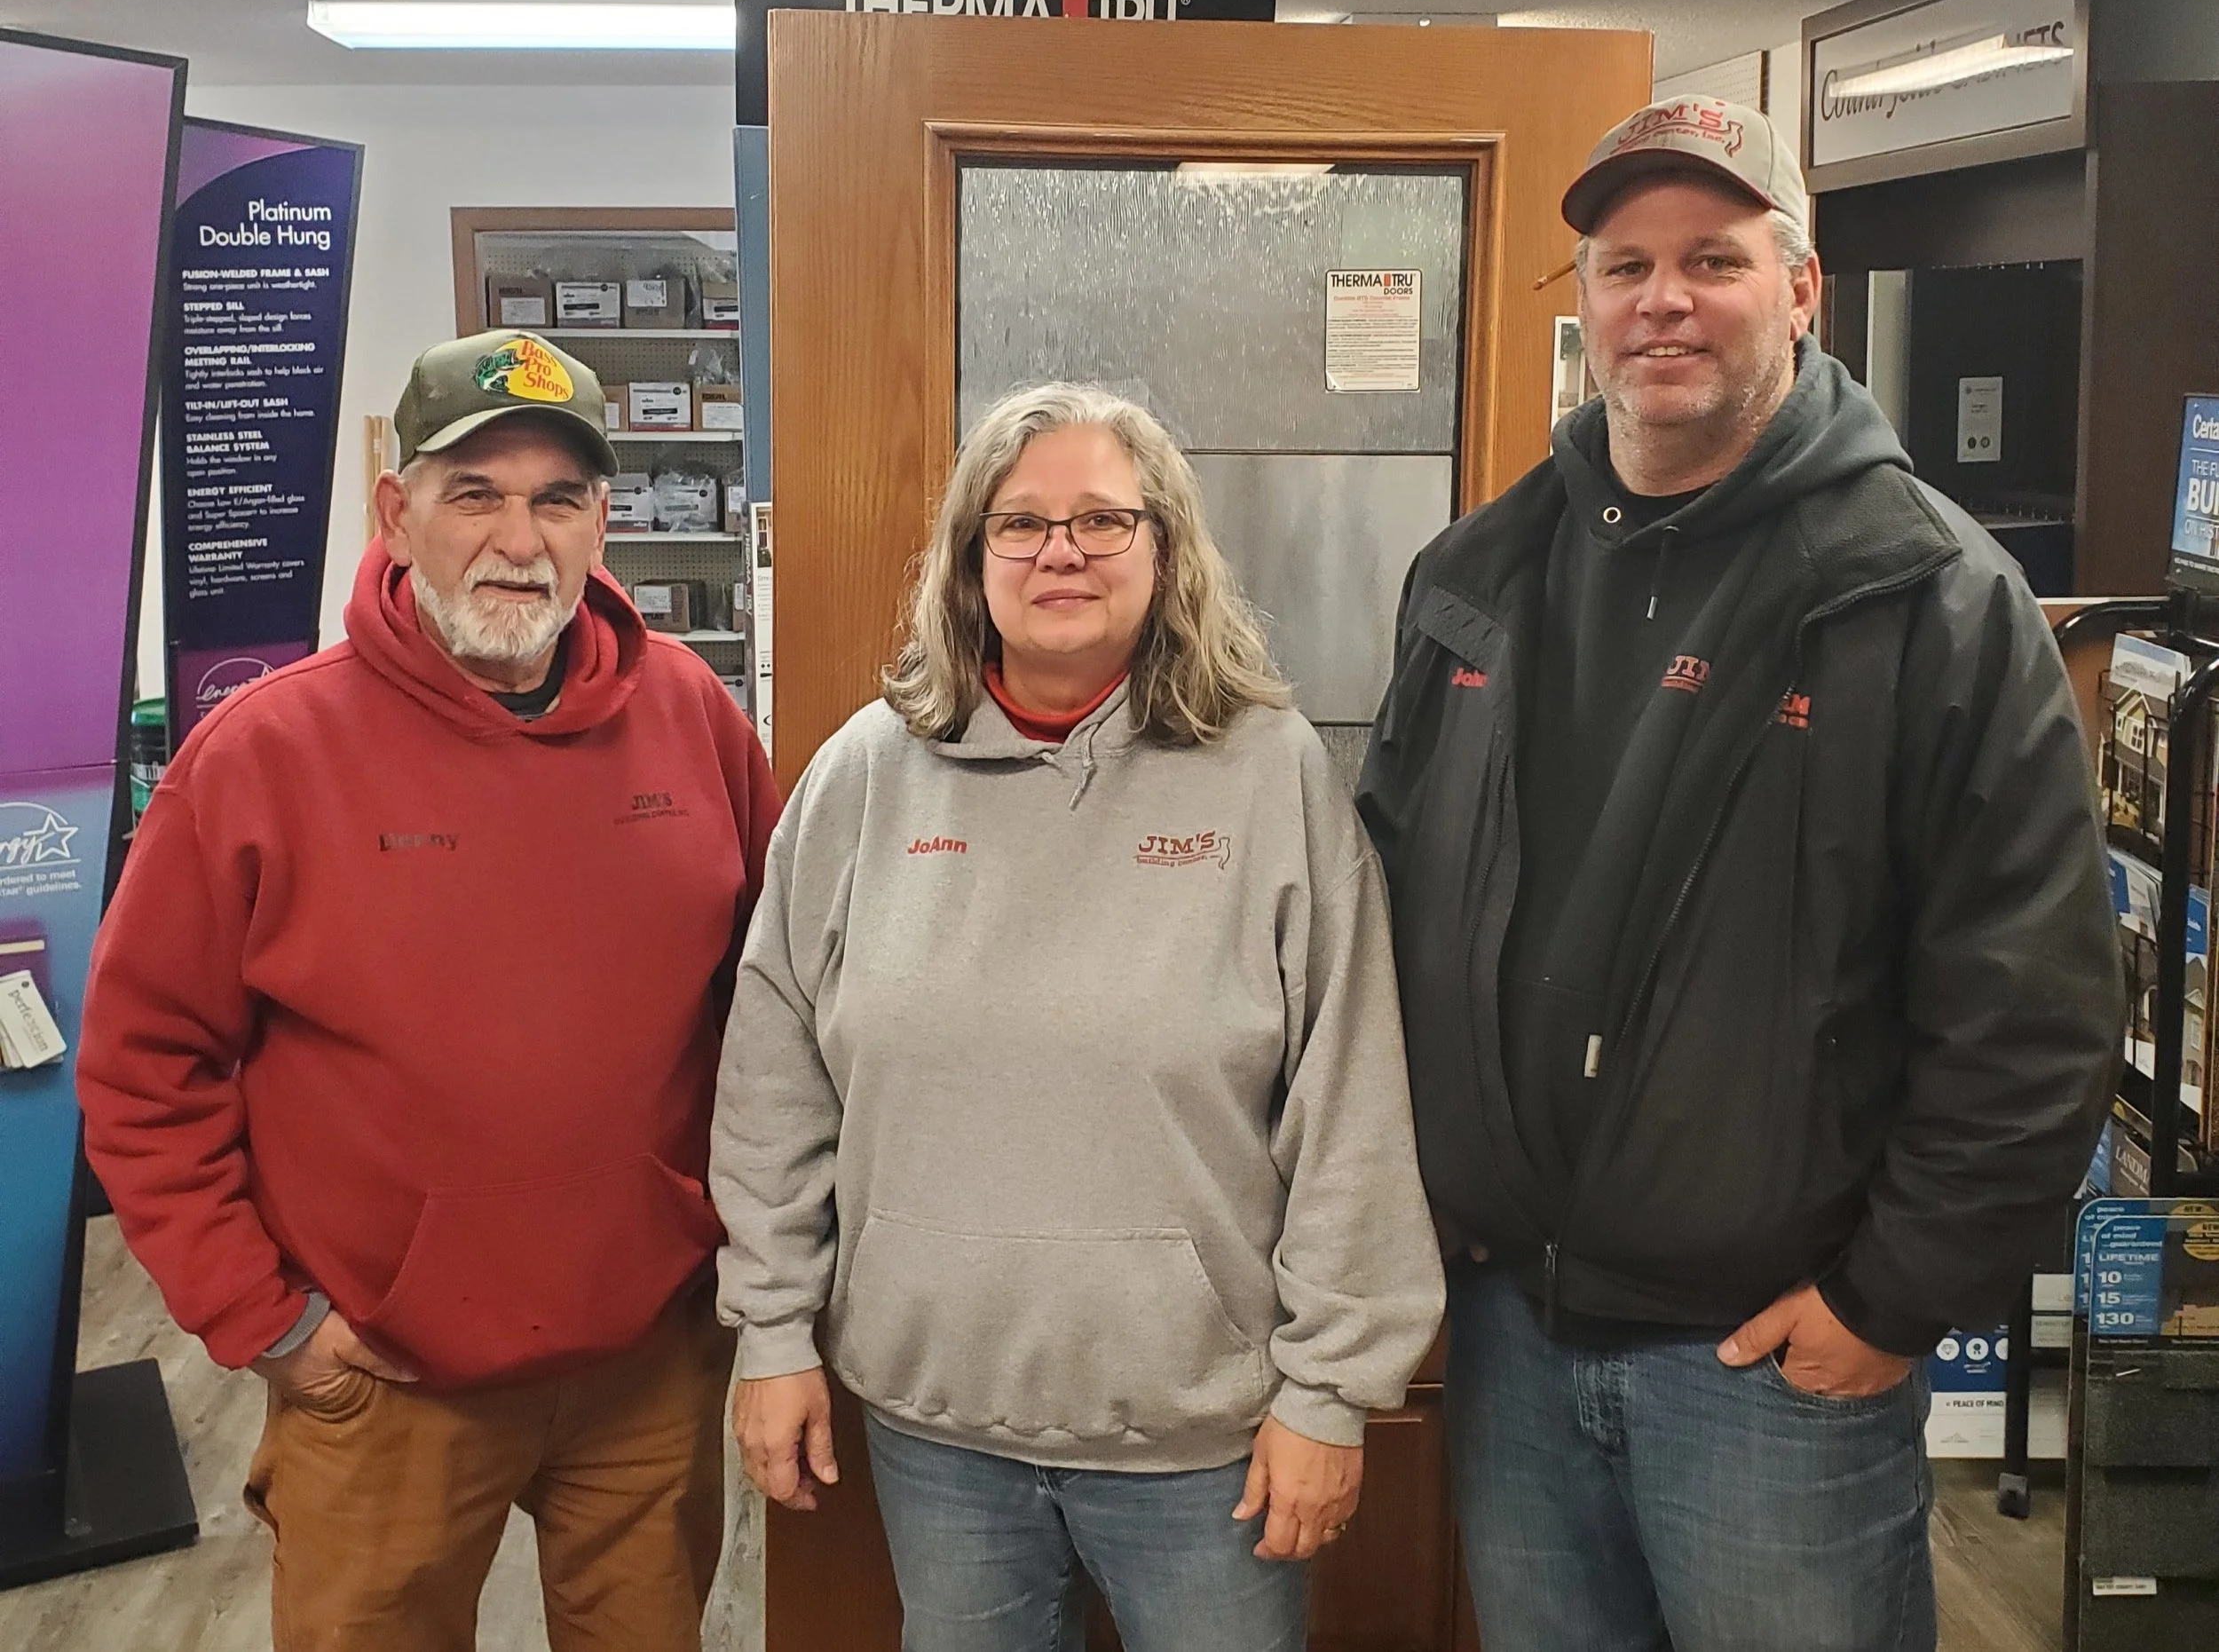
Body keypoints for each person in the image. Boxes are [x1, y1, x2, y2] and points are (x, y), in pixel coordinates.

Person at [1356, 97, 2120, 1652]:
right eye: (1626, 265)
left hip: (1769, 1368)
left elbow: (2034, 1010)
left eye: (1713, 259)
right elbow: (1379, 901)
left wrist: (1886, 1302)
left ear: (1801, 289)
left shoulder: (1930, 599)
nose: (1666, 300)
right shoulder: (1479, 573)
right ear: (1584, 300)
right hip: (1512, 1330)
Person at [711, 382, 1443, 1652]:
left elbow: (1352, 1105)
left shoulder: (1270, 776)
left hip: (1208, 1443)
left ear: (1166, 551)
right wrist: (771, 1329)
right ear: (969, 558)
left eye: (1104, 520)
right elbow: (774, 1077)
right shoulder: (864, 777)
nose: (1063, 551)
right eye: (1022, 522)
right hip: (938, 1435)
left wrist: (1330, 1388)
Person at [77, 329, 780, 1652]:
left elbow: (779, 1003)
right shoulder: (263, 754)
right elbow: (141, 1065)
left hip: (646, 1363)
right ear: (398, 513)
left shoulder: (692, 715)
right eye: (476, 494)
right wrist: (266, 1319)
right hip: (381, 1384)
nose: (519, 539)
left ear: (602, 524)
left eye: (557, 499)